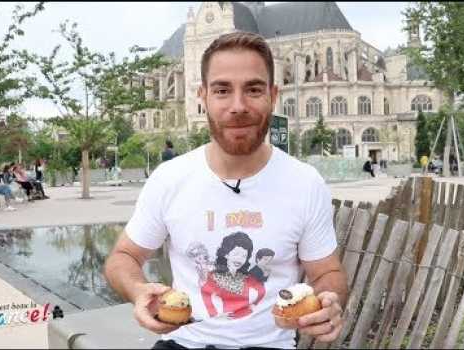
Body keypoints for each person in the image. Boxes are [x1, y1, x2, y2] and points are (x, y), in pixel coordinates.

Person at [104, 32, 347, 349]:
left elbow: (327, 272)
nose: (238, 106)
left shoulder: (305, 182)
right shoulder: (170, 178)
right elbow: (122, 257)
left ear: (273, 95)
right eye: (222, 90)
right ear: (202, 97)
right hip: (183, 342)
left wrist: (329, 300)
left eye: (253, 89)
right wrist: (138, 291)